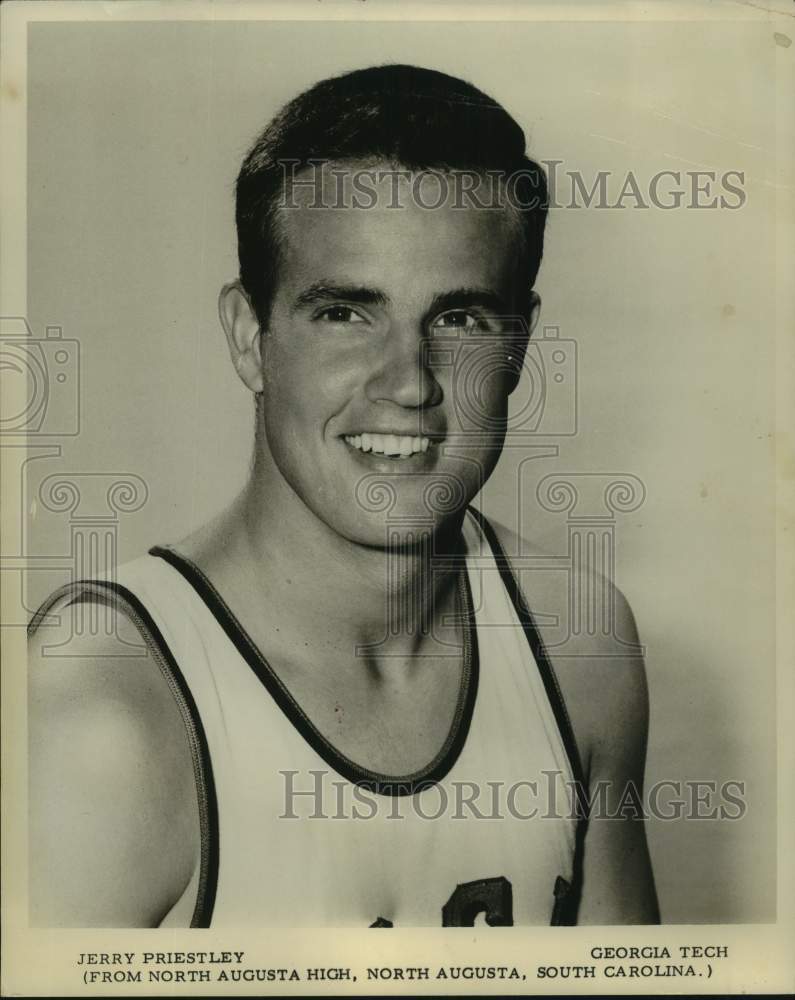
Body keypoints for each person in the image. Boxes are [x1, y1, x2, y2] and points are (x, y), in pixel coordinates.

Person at [27, 64, 659, 928]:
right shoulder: (102, 713)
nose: (408, 383)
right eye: (345, 313)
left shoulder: (578, 640)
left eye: (461, 318)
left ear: (519, 345)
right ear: (250, 338)